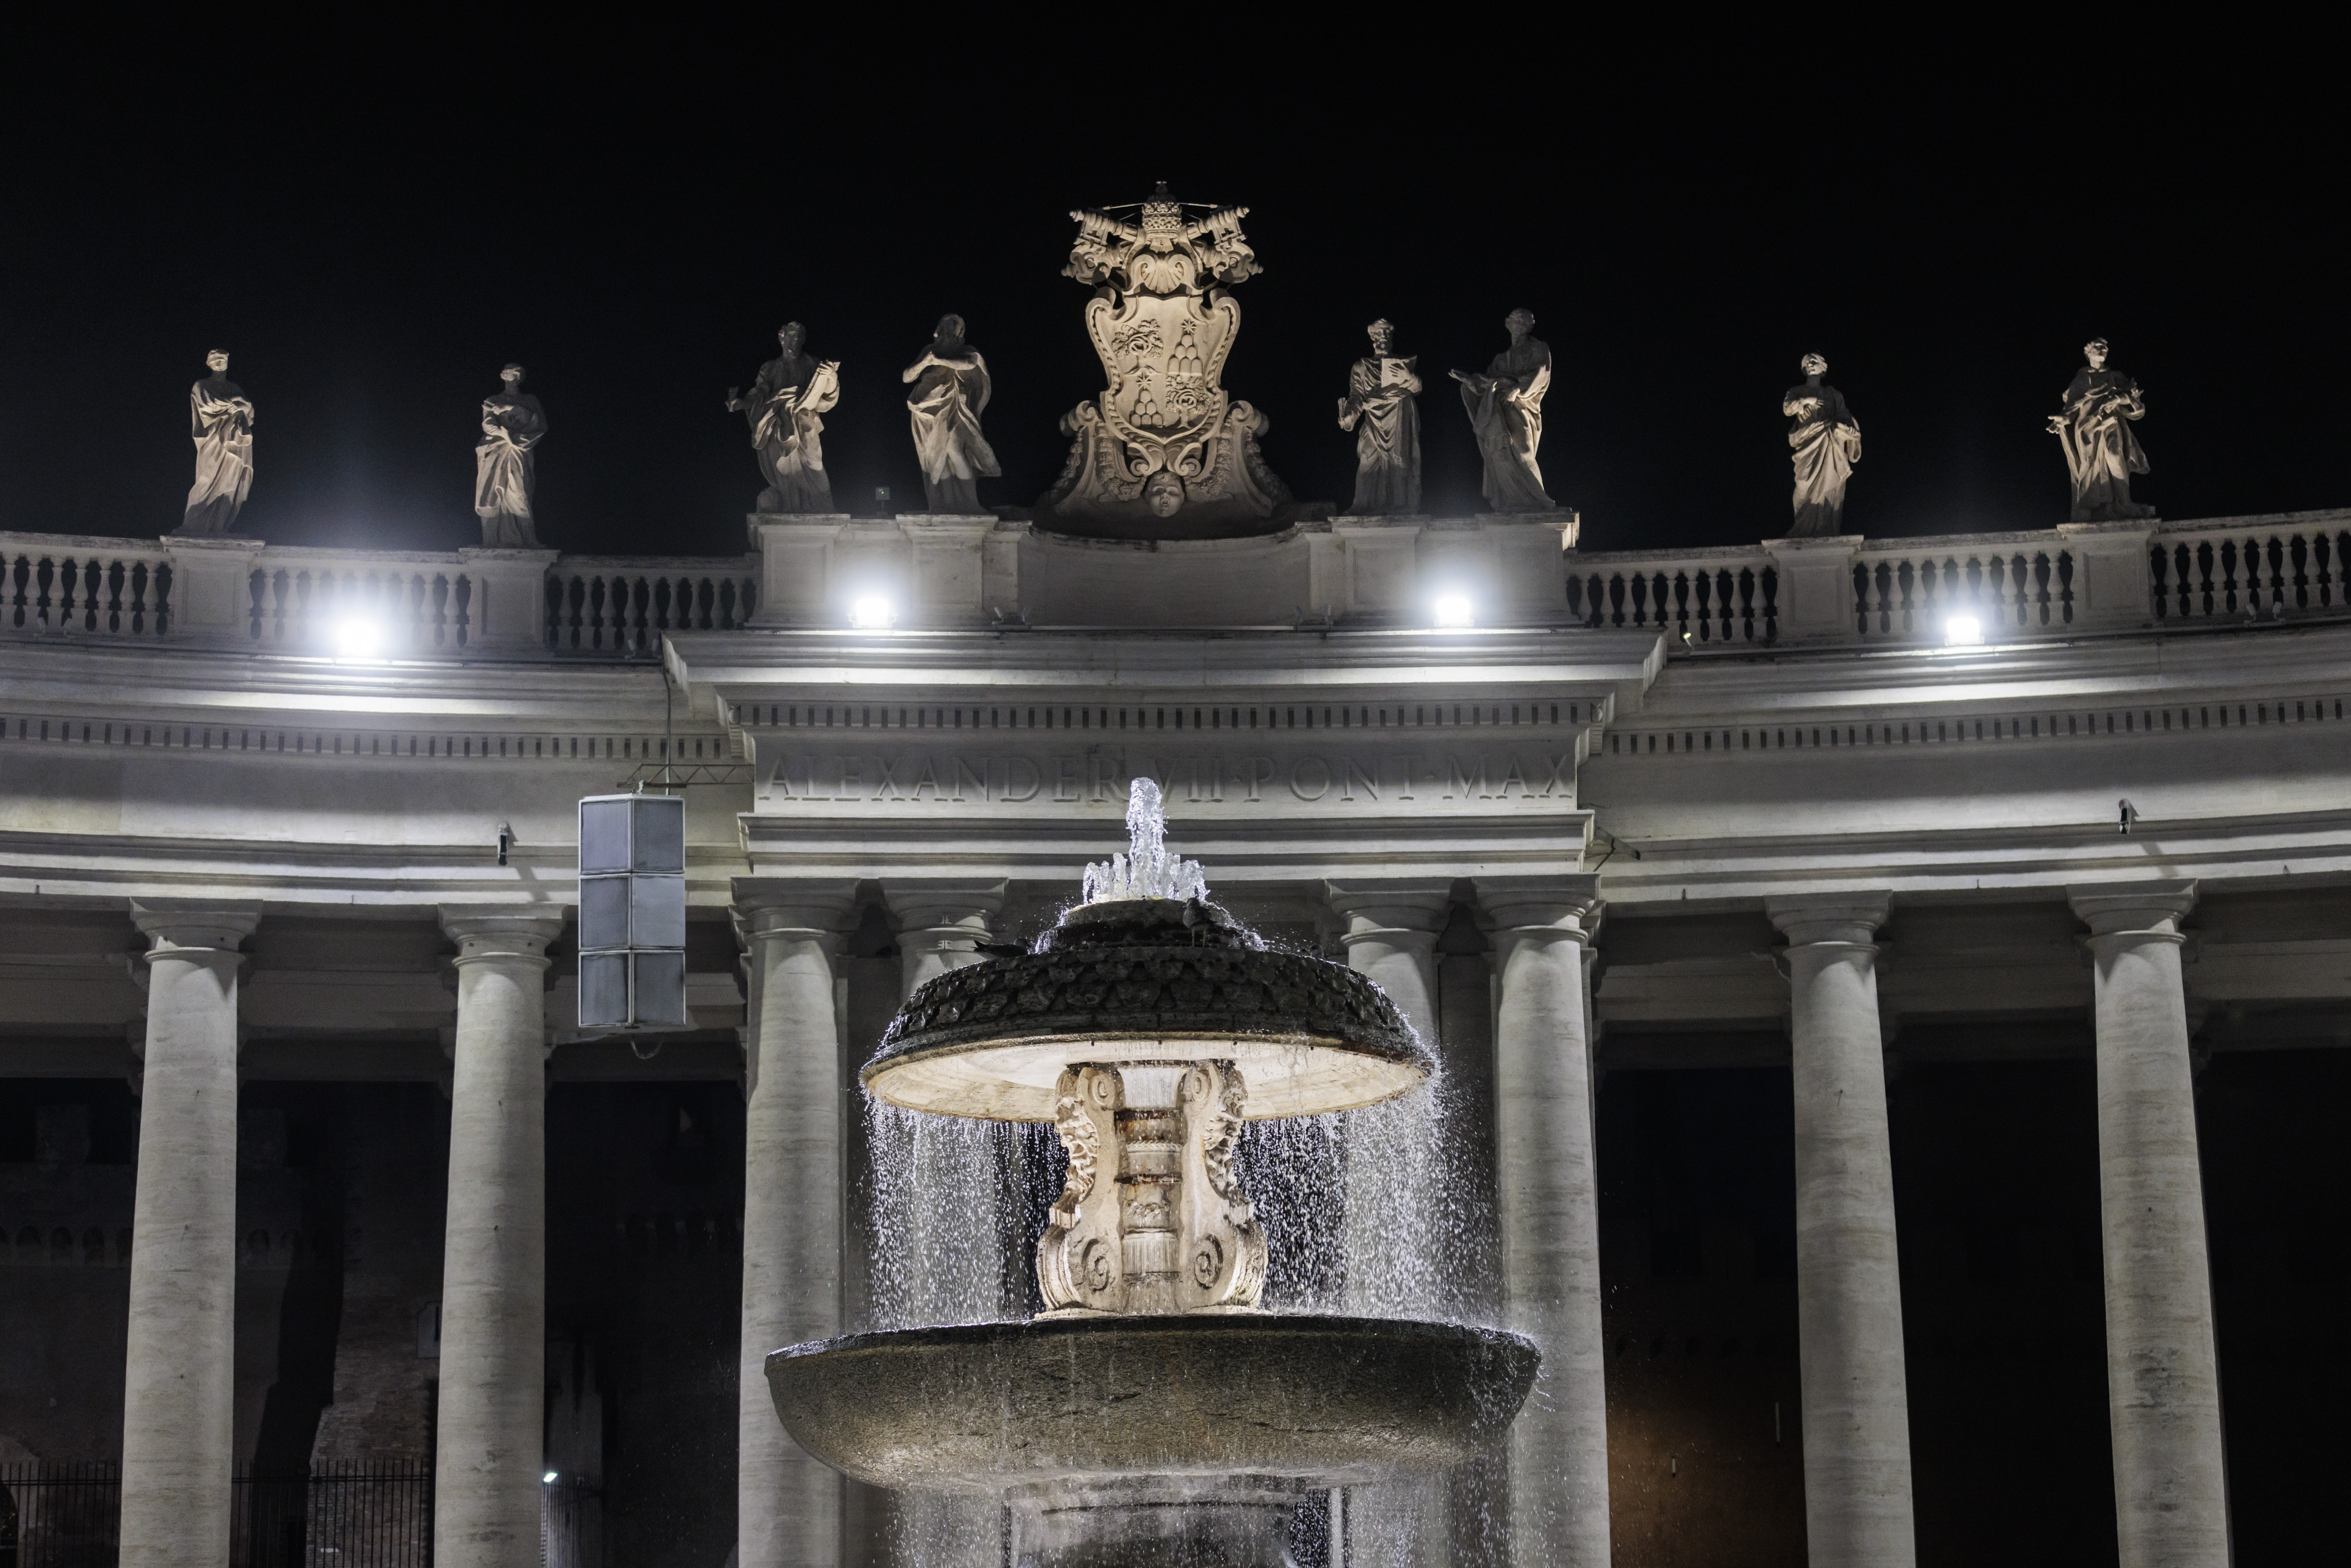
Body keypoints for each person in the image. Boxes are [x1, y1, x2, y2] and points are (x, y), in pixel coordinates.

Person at [725, 322, 841, 513]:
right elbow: (759, 393)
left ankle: (823, 503)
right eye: (790, 339)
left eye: (798, 340)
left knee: (813, 463)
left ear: (802, 341)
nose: (794, 344)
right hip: (777, 422)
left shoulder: (812, 364)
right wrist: (741, 403)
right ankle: (790, 504)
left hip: (805, 420)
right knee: (784, 466)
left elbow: (827, 396)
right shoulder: (770, 368)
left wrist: (832, 378)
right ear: (781, 338)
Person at [1450, 308, 1552, 512]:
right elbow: (1488, 382)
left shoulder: (1539, 348)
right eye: (1514, 322)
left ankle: (1539, 501)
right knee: (1500, 453)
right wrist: (1471, 382)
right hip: (1499, 409)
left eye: (1522, 323)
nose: (1518, 327)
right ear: (1510, 326)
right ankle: (1509, 500)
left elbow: (1542, 372)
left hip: (1523, 407)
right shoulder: (1501, 359)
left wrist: (1518, 389)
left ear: (1528, 327)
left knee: (1522, 452)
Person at [902, 314, 1000, 514]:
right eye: (948, 323)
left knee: (955, 449)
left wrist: (937, 360)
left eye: (957, 325)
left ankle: (971, 503)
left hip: (955, 405)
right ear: (939, 328)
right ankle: (944, 505)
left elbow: (969, 363)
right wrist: (924, 362)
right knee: (938, 459)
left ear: (961, 332)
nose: (952, 326)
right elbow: (907, 376)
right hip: (926, 408)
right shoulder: (929, 350)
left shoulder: (966, 351)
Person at [2049, 339, 2153, 521]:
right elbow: (2071, 406)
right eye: (2098, 347)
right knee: (2091, 467)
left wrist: (2121, 398)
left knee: (2114, 456)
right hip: (2087, 429)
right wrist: (2062, 420)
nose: (2103, 349)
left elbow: (2135, 403)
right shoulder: (2081, 379)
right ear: (2088, 352)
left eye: (2105, 347)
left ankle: (2124, 503)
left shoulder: (2116, 376)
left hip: (2111, 423)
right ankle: (2096, 507)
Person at [1337, 319, 1422, 514]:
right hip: (1373, 419)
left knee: (1398, 462)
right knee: (1367, 458)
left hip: (1398, 418)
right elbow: (1356, 397)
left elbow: (1417, 387)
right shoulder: (1361, 367)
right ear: (1373, 338)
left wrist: (1408, 378)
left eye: (1386, 334)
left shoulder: (1401, 364)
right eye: (1379, 334)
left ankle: (1400, 506)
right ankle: (1362, 505)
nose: (1383, 338)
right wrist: (1349, 417)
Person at [1781, 353, 1863, 537]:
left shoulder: (1833, 394)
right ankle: (1803, 526)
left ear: (1823, 368)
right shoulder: (1796, 391)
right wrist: (1806, 401)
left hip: (1830, 442)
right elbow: (1787, 408)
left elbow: (1844, 415)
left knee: (1830, 485)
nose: (1810, 364)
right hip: (1807, 443)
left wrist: (1849, 431)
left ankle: (1825, 528)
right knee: (1803, 484)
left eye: (1814, 362)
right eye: (1807, 362)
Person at [179, 350, 256, 536]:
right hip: (212, 439)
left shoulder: (235, 388)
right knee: (206, 481)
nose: (219, 362)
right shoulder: (202, 385)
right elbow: (207, 407)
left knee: (231, 481)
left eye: (222, 360)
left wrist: (241, 405)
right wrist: (237, 404)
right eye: (215, 360)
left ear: (227, 363)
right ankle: (191, 526)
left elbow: (250, 411)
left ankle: (220, 528)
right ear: (209, 363)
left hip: (235, 443)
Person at [474, 364, 547, 547]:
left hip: (519, 450)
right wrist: (504, 433)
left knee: (520, 493)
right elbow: (488, 424)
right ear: (503, 376)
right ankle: (490, 540)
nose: (513, 378)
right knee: (491, 494)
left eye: (517, 375)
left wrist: (506, 409)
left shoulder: (530, 400)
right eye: (510, 374)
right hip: (495, 450)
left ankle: (529, 539)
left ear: (520, 378)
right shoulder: (492, 400)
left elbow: (539, 424)